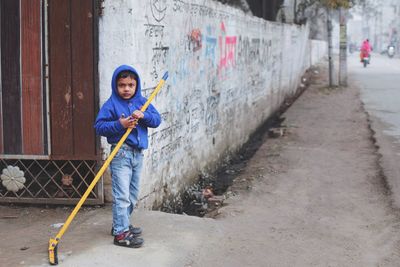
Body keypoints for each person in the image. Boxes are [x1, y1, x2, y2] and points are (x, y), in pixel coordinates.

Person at [94, 65, 161, 248]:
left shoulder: (142, 101)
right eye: (122, 85)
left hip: (137, 155)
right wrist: (120, 123)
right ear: (116, 86)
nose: (126, 89)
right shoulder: (111, 105)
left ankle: (120, 224)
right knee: (122, 196)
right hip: (120, 153)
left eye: (130, 85)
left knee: (132, 196)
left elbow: (157, 120)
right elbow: (99, 127)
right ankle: (121, 234)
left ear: (136, 85)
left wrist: (144, 115)